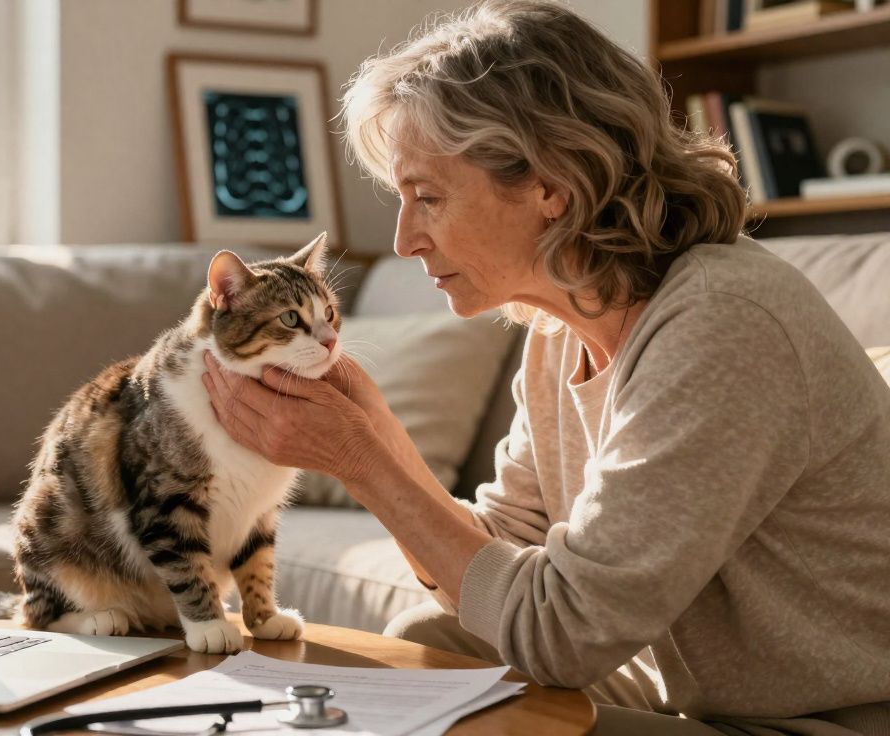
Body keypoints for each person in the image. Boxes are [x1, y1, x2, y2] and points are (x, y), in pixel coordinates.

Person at [200, 1, 890, 733]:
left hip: (829, 716)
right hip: (691, 687)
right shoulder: (561, 328)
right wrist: (374, 434)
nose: (404, 240)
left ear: (551, 185)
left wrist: (361, 461)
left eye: (427, 197)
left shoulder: (722, 324)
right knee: (430, 646)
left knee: (461, 719)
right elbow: (496, 562)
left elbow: (562, 634)